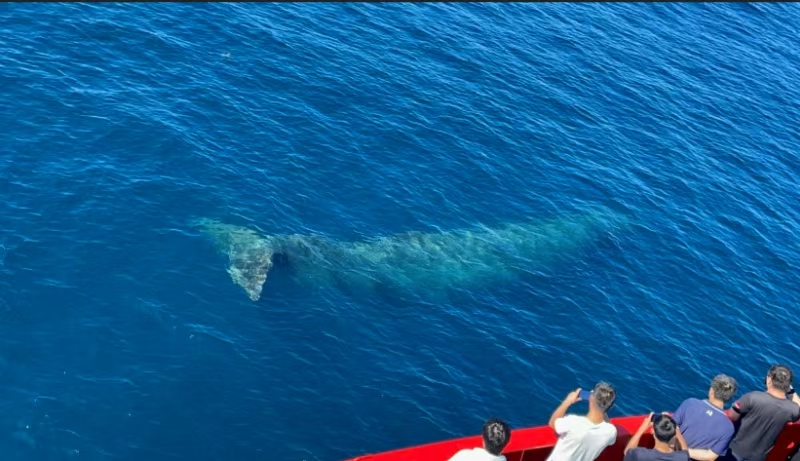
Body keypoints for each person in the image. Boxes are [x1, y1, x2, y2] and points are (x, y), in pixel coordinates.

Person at [725, 364, 800, 461]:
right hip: (759, 458)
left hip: (734, 451)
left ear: (768, 380)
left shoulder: (753, 397)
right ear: (787, 385)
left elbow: (731, 416)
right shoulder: (793, 410)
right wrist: (791, 390)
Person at [672, 374, 738, 461]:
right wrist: (686, 451)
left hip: (672, 456)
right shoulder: (728, 428)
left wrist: (680, 450)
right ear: (729, 398)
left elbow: (671, 428)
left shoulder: (690, 403)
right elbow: (711, 456)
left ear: (711, 390)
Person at [546, 382, 617, 461]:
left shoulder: (573, 422)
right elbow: (611, 439)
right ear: (611, 406)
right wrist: (603, 407)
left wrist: (567, 401)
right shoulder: (611, 431)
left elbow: (552, 423)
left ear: (591, 398)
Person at [624, 413, 690, 461]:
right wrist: (673, 426)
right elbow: (685, 451)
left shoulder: (639, 455)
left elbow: (627, 452)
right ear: (674, 434)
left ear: (653, 431)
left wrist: (642, 429)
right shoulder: (682, 458)